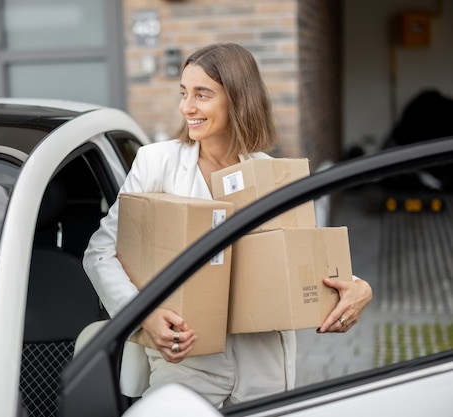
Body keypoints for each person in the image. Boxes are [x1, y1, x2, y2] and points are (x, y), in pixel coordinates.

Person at [82, 43, 373, 407]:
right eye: (184, 93)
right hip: (187, 363)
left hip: (264, 365)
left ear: (237, 98)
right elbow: (100, 253)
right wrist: (145, 317)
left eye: (202, 94)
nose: (187, 107)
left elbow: (301, 260)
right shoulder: (157, 164)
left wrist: (360, 288)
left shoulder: (270, 173)